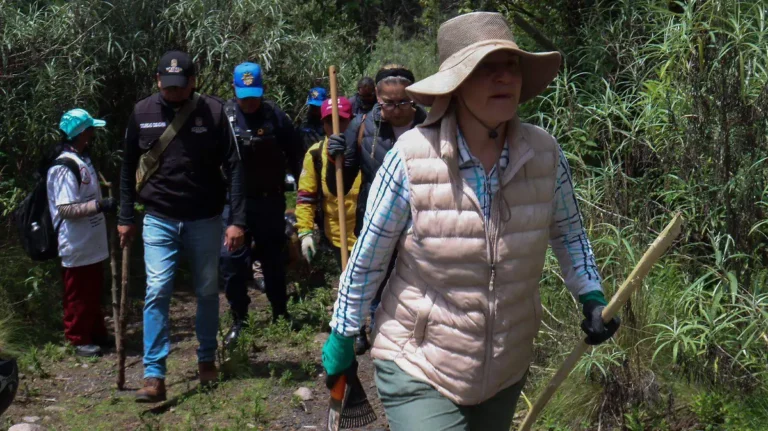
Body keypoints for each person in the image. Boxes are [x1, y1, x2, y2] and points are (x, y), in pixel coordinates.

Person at [322, 12, 620, 431]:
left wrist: (591, 296)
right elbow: (369, 255)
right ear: (457, 85)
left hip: (506, 364)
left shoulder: (544, 154)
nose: (504, 78)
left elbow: (569, 232)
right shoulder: (410, 158)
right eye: (486, 68)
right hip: (418, 359)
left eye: (510, 65)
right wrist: (342, 331)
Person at [118, 50, 246, 402]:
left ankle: (206, 358)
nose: (173, 92)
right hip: (158, 217)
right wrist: (126, 217)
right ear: (158, 80)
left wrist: (236, 220)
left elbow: (235, 168)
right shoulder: (141, 113)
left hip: (204, 218)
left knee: (206, 289)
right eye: (167, 85)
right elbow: (127, 168)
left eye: (180, 86)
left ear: (193, 82)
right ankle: (154, 373)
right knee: (157, 289)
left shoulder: (214, 112)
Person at [326, 64, 428, 354]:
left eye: (403, 103)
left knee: (414, 278)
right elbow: (339, 187)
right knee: (375, 274)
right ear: (378, 100)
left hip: (419, 218)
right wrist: (336, 157)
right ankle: (363, 327)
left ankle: (411, 329)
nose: (396, 110)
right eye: (388, 104)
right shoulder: (360, 128)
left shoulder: (431, 126)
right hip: (375, 216)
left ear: (414, 99)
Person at [220, 62, 303, 349]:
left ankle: (281, 312)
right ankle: (239, 319)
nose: (250, 101)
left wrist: (303, 189)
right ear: (234, 89)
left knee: (273, 260)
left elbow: (296, 151)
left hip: (270, 201)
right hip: (234, 204)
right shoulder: (225, 118)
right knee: (231, 263)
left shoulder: (274, 116)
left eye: (254, 94)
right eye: (244, 95)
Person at [47, 108, 117, 358]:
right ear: (81, 133)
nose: (93, 133)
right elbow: (65, 208)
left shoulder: (82, 159)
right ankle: (77, 337)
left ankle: (96, 332)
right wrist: (99, 206)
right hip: (75, 240)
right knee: (78, 290)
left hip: (91, 239)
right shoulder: (64, 167)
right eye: (90, 129)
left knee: (93, 288)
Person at [296, 97, 361, 267]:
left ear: (352, 121)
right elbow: (306, 196)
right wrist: (305, 232)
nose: (336, 127)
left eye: (341, 120)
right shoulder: (315, 154)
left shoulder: (365, 147)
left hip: (368, 235)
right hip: (337, 236)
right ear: (323, 124)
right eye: (329, 122)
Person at [299, 87, 328, 151]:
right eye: (313, 107)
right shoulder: (306, 124)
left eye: (318, 107)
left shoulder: (329, 120)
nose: (315, 110)